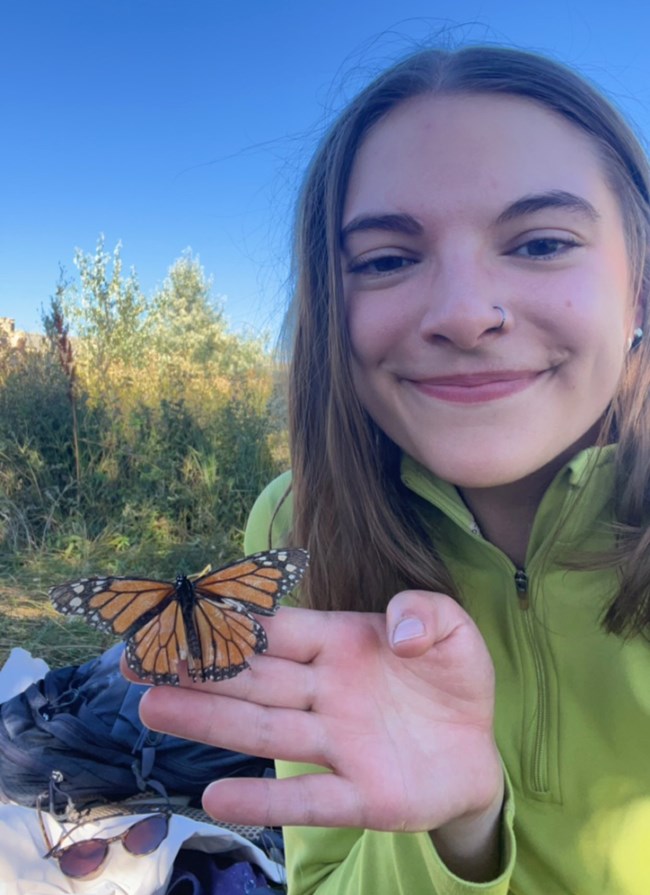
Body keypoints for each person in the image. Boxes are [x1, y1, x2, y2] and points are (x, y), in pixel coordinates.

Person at [128, 45, 650, 893]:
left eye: (543, 242)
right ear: (335, 309)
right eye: (386, 260)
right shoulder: (298, 523)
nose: (463, 314)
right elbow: (324, 879)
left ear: (639, 291)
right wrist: (458, 830)